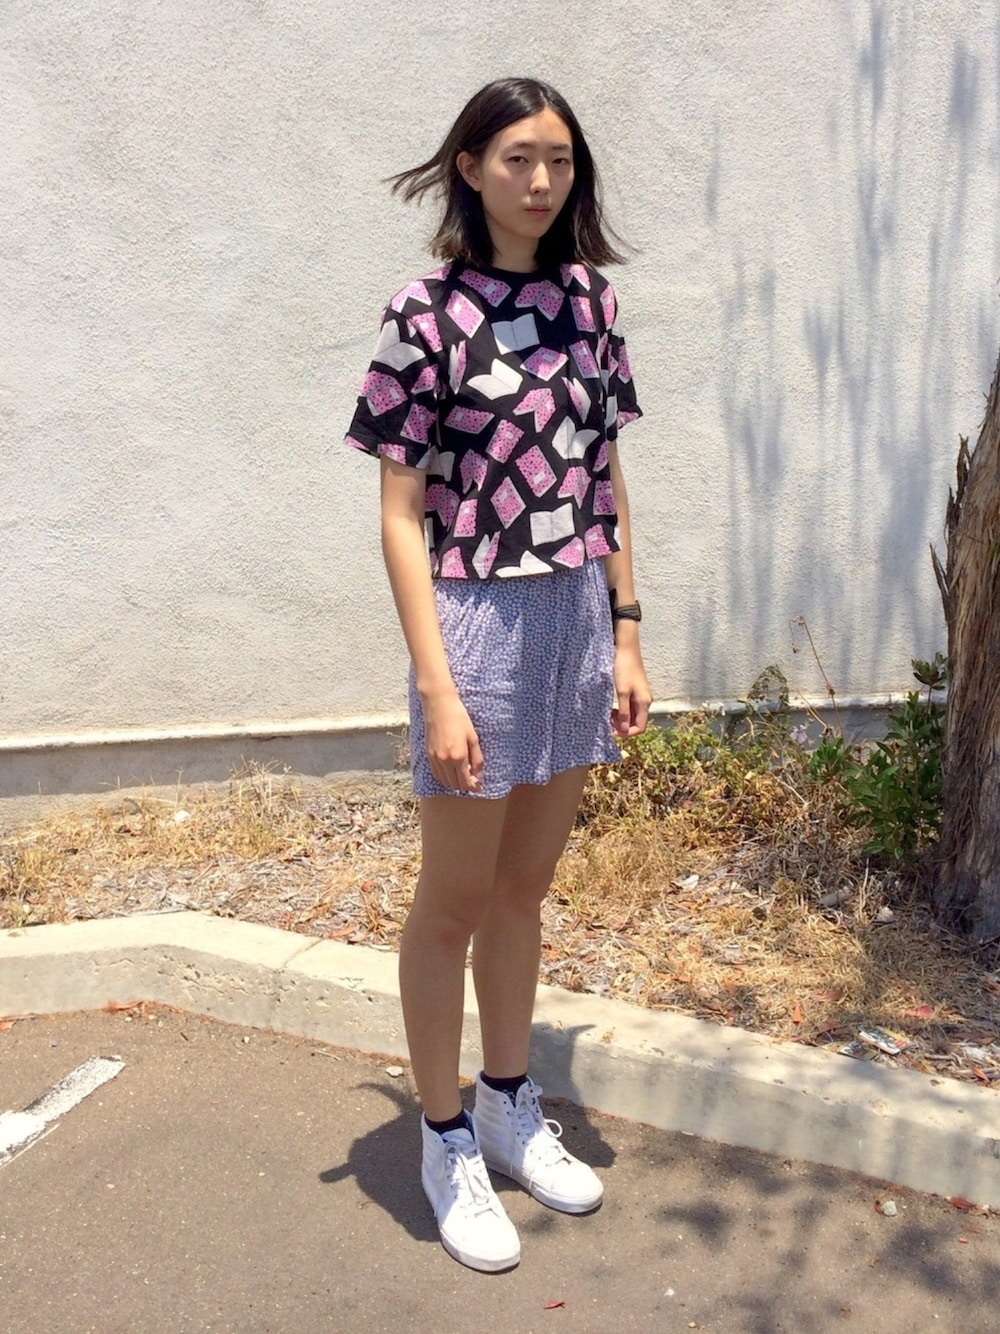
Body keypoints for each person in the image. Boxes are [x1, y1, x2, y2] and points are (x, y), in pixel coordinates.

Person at [344, 76, 651, 1273]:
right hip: (471, 619)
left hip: (572, 614)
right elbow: (398, 511)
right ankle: (444, 1136)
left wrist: (626, 629)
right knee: (456, 898)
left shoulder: (589, 302)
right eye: (518, 157)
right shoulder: (423, 311)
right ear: (468, 167)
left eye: (559, 160)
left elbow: (602, 478)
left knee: (525, 889)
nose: (541, 180)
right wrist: (436, 683)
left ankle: (512, 1102)